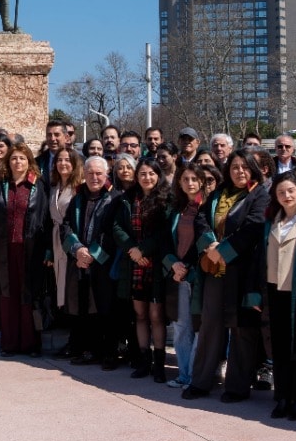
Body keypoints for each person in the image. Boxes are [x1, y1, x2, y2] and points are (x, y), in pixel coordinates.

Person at [189, 152, 270, 402]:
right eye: (235, 167)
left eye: (245, 167)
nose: (239, 171)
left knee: (242, 330)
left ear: (254, 169)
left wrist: (223, 251)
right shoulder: (218, 193)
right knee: (210, 325)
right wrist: (210, 246)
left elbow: (253, 228)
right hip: (215, 270)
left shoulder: (260, 195)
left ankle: (236, 387)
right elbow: (201, 220)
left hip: (243, 272)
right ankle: (201, 382)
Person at [249, 171, 296, 420]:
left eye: (291, 190)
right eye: (281, 192)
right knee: (280, 347)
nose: (286, 195)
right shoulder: (270, 222)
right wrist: (255, 294)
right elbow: (258, 260)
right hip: (274, 292)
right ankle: (283, 396)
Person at [0, 142, 44, 356]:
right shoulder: (0, 186)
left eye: (22, 158)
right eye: (14, 158)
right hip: (4, 250)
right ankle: (9, 344)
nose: (18, 162)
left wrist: (47, 252)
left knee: (29, 295)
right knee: (8, 295)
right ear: (9, 162)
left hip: (30, 250)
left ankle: (30, 344)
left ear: (29, 162)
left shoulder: (37, 186)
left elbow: (44, 220)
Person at [113, 158, 171, 381]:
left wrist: (144, 250)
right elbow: (117, 227)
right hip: (134, 263)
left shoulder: (166, 199)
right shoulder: (127, 199)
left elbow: (165, 232)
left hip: (156, 264)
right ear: (137, 177)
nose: (147, 178)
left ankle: (159, 364)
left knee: (156, 315)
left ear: (158, 175)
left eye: (151, 173)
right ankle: (144, 361)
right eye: (143, 174)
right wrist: (133, 250)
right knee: (140, 315)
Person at [161, 163, 213, 390]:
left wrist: (188, 267)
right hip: (178, 275)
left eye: (194, 179)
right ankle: (183, 375)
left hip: (200, 275)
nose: (190, 183)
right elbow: (164, 240)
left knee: (200, 327)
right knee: (181, 326)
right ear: (179, 183)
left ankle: (195, 375)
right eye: (185, 179)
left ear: (201, 181)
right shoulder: (175, 209)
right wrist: (173, 264)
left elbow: (207, 239)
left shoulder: (208, 206)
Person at [61, 155, 117, 367]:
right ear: (83, 174)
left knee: (106, 309)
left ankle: (109, 353)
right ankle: (88, 350)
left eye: (99, 173)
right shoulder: (77, 198)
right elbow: (66, 227)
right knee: (84, 307)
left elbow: (113, 232)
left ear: (106, 174)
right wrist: (78, 251)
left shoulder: (114, 199)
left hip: (104, 263)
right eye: (90, 173)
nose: (94, 177)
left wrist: (93, 254)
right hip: (81, 262)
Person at [42, 147, 83, 348]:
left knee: (74, 290)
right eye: (59, 160)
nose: (63, 163)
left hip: (74, 242)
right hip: (57, 241)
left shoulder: (79, 187)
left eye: (67, 160)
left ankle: (77, 340)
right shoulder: (54, 186)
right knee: (62, 289)